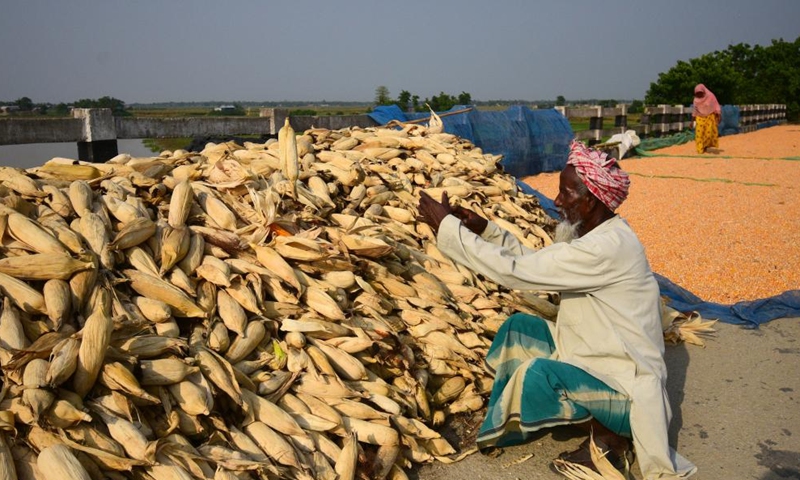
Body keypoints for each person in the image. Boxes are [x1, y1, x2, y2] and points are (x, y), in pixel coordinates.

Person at [417, 140, 697, 479]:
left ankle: (611, 440)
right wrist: (486, 230)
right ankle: (518, 415)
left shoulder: (603, 249)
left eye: (566, 194)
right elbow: (535, 263)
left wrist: (446, 227)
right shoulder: (597, 236)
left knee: (539, 373)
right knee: (518, 329)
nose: (557, 201)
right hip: (597, 356)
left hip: (628, 393)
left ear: (591, 201)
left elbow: (515, 272)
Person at [692, 84, 721, 154]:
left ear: (704, 92)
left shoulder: (710, 96)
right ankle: (700, 148)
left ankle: (705, 146)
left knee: (708, 134)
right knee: (699, 134)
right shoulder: (696, 100)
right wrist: (693, 120)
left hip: (709, 117)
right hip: (699, 117)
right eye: (697, 93)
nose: (699, 95)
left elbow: (716, 105)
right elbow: (695, 110)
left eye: (700, 93)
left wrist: (718, 114)